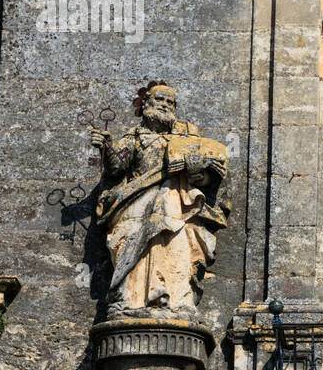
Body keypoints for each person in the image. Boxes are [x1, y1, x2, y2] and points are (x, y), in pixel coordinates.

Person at [89, 84, 229, 319]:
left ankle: (177, 298)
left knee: (177, 232)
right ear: (146, 104)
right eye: (160, 99)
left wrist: (196, 170)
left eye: (170, 102)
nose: (165, 105)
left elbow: (204, 181)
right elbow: (116, 168)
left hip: (177, 204)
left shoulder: (188, 138)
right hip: (135, 202)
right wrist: (106, 145)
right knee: (139, 227)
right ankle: (129, 298)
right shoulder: (134, 138)